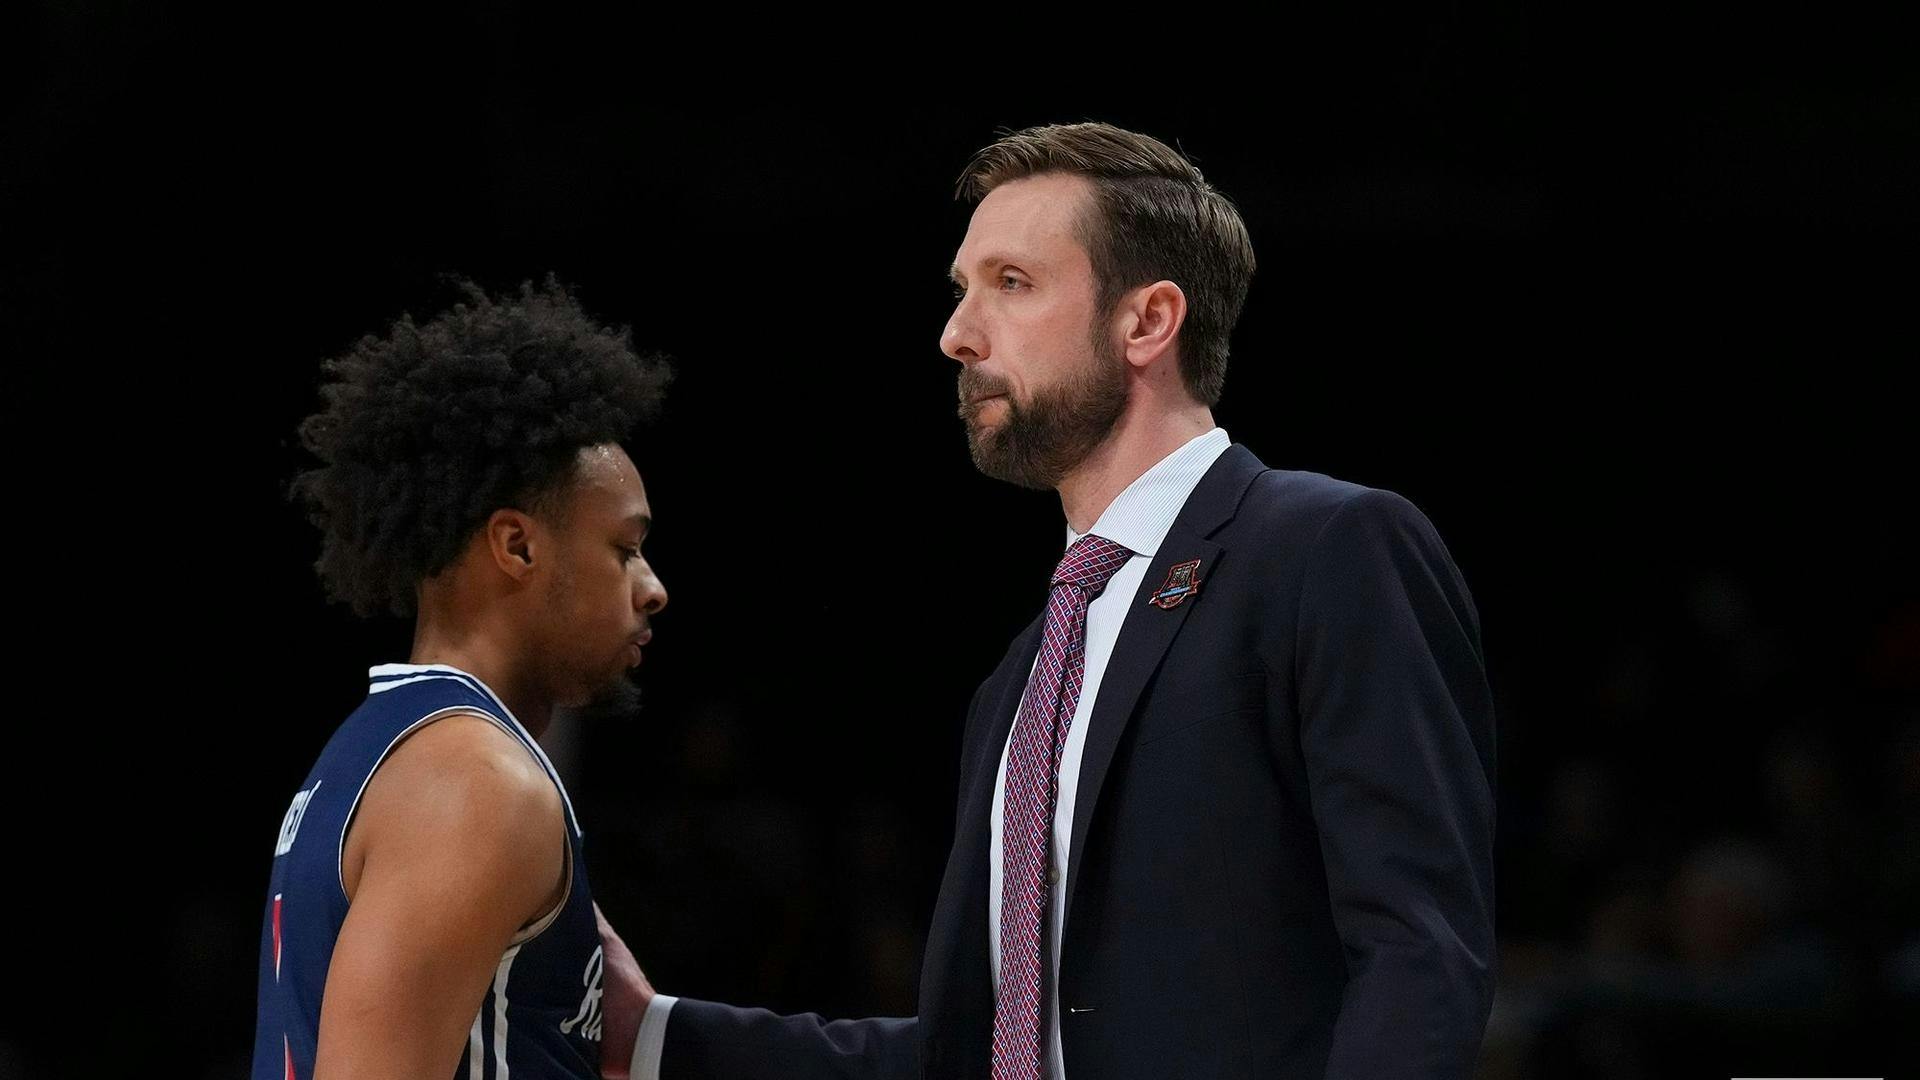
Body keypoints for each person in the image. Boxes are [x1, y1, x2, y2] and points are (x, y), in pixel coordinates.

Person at [615, 121, 1497, 1079]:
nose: (956, 333)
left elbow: (1420, 956)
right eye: (962, 290)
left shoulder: (1326, 549)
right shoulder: (1022, 678)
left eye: (1011, 283)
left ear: (1147, 322)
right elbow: (981, 1055)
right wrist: (655, 1033)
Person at [252, 278, 664, 1080]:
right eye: (624, 548)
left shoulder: (387, 748)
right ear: (516, 546)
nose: (652, 586)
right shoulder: (476, 786)